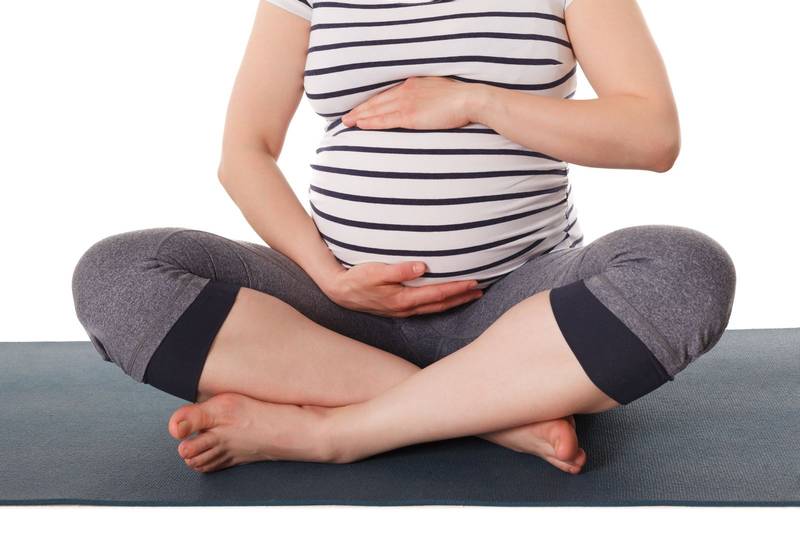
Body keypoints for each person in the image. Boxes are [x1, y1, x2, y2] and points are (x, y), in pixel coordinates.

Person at [71, 0, 736, 474]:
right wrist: (328, 276)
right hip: (331, 315)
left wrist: (476, 99)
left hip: (516, 312)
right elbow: (244, 153)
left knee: (686, 270)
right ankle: (490, 412)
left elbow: (652, 136)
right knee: (117, 276)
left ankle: (337, 430)